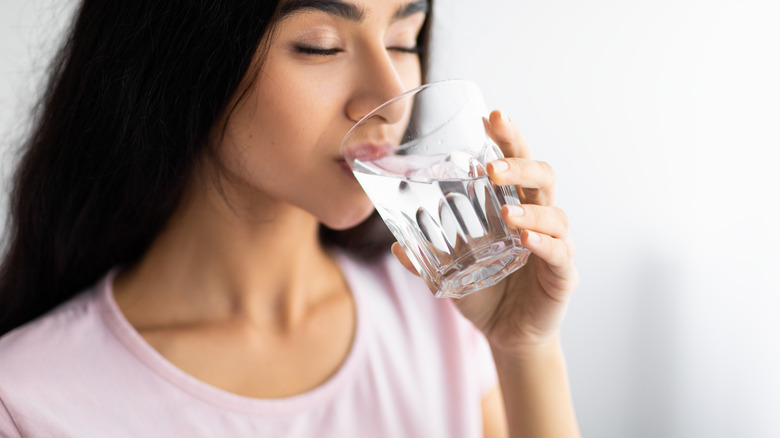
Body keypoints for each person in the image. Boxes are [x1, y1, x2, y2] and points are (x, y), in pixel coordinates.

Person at [0, 0, 580, 436]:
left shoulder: (445, 313)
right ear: (179, 58)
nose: (392, 97)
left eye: (404, 39)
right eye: (321, 46)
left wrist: (525, 347)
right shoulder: (30, 401)